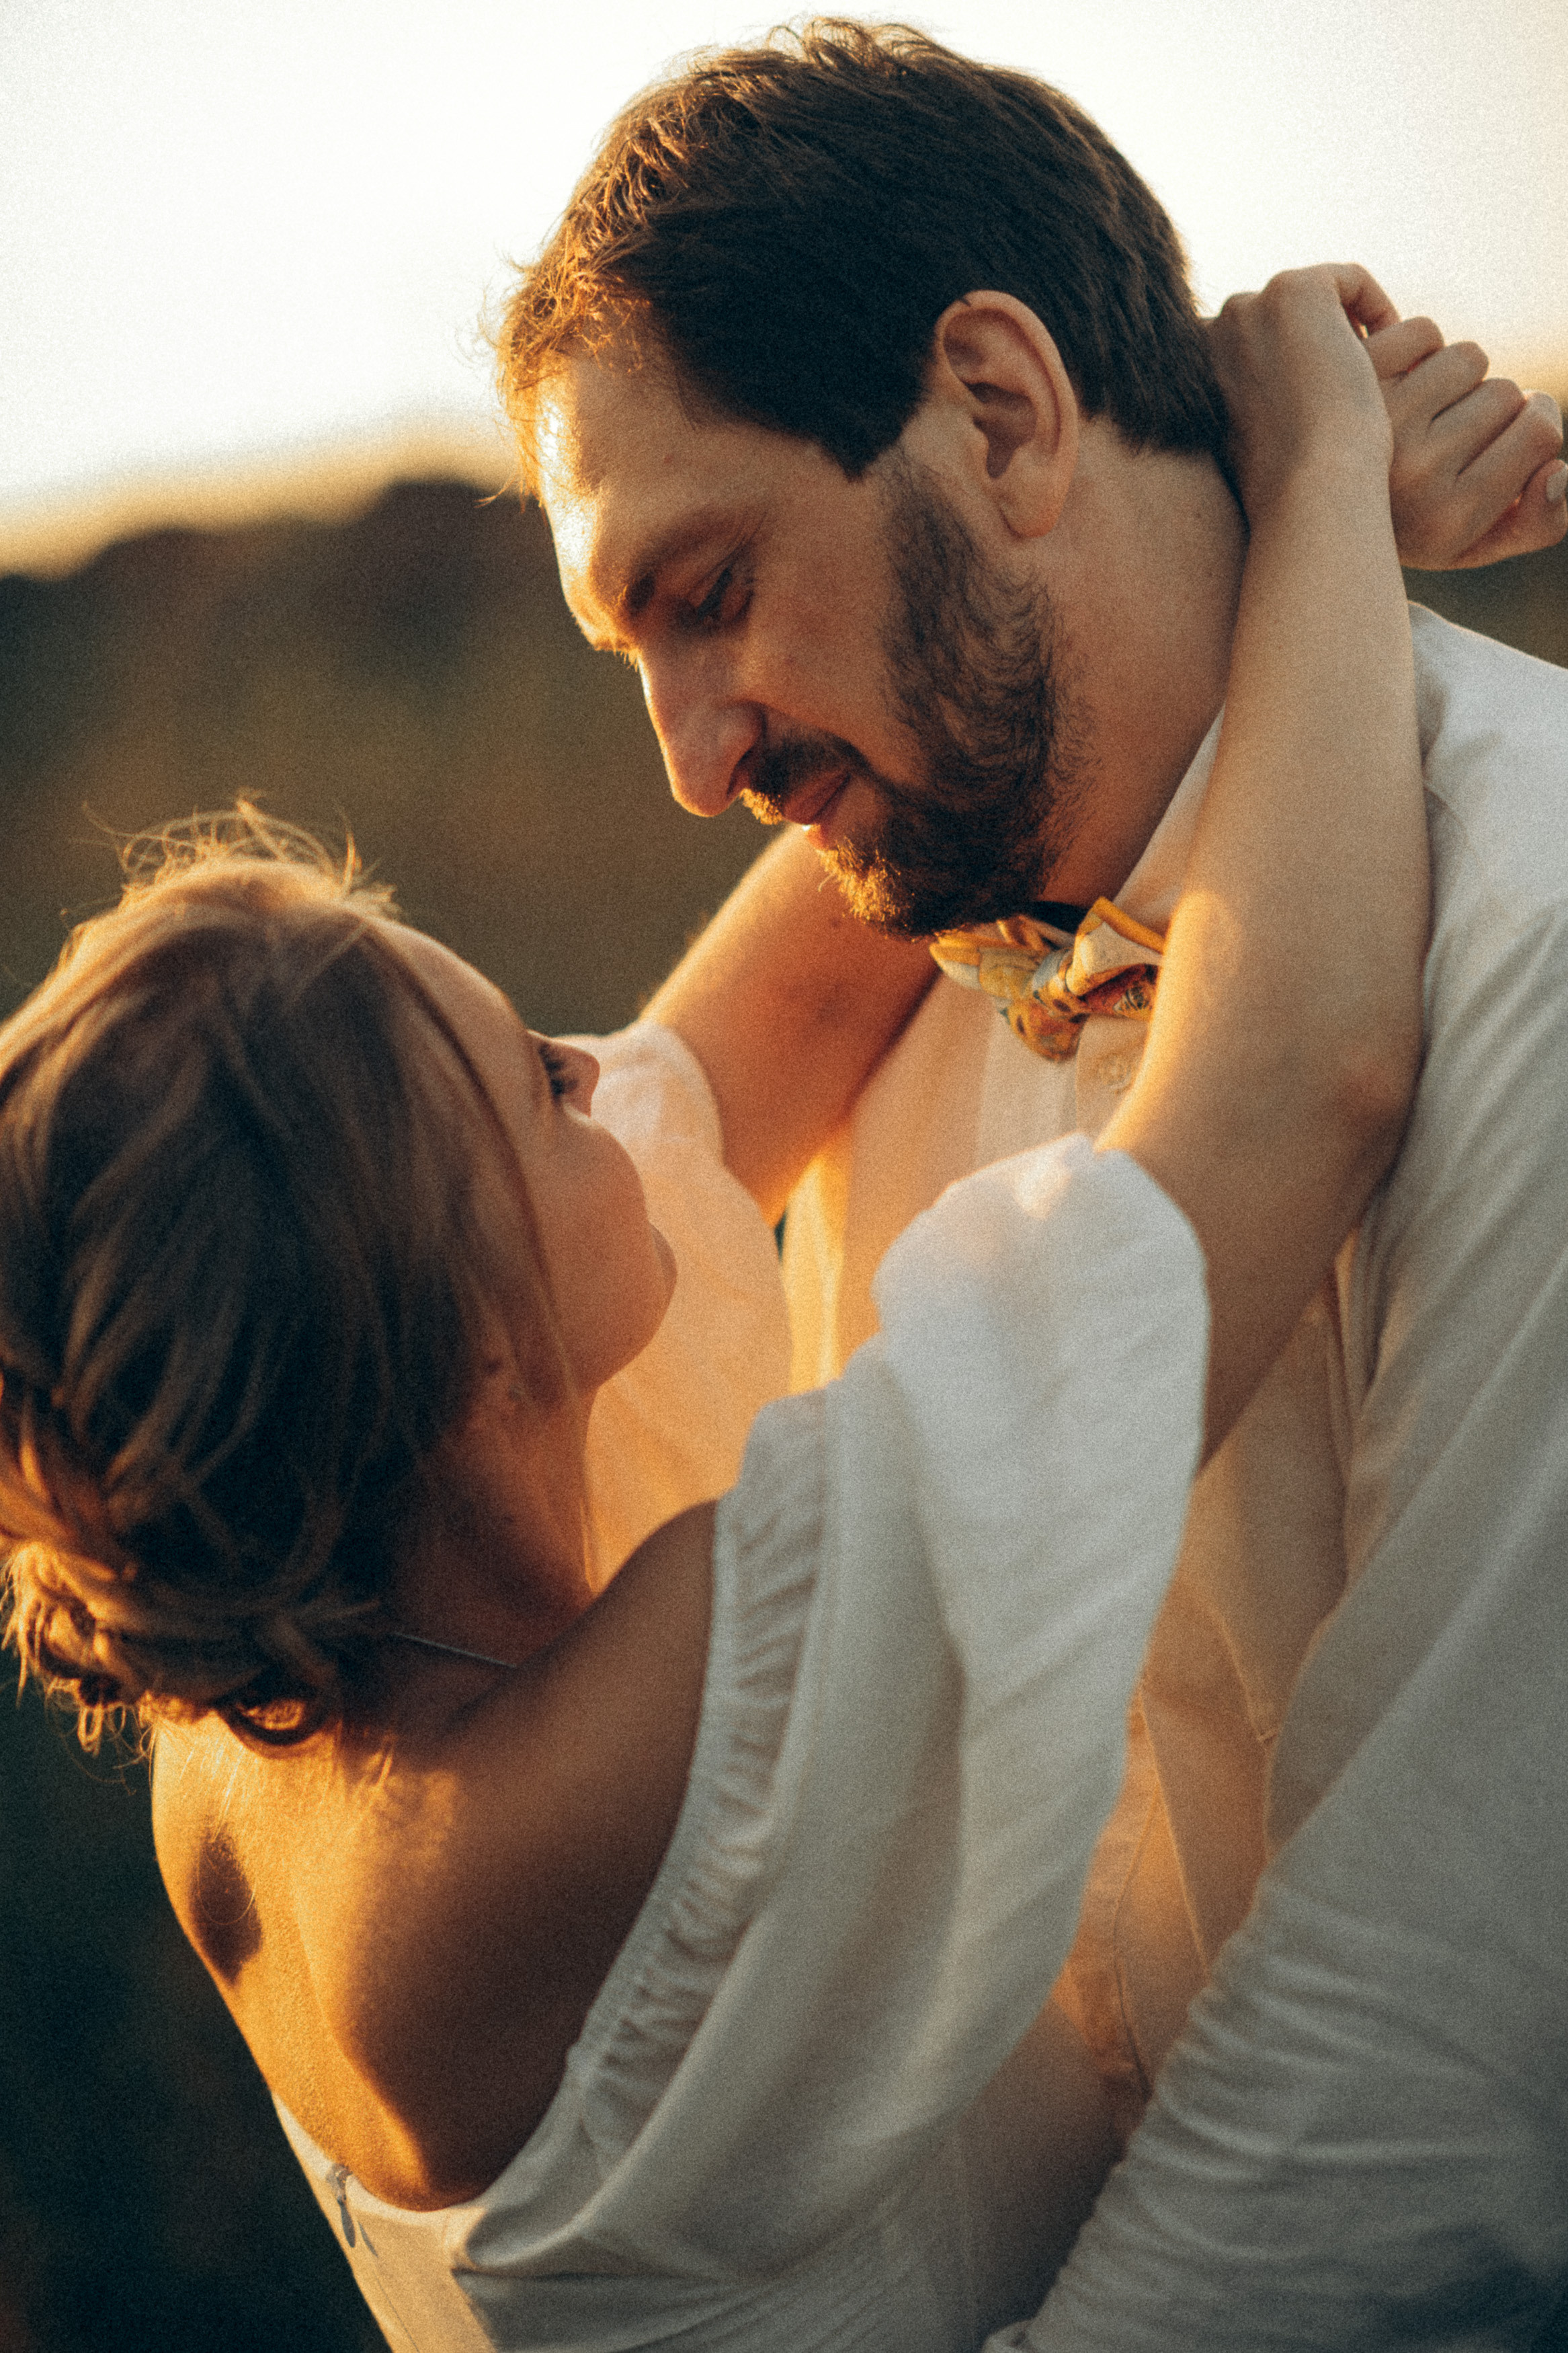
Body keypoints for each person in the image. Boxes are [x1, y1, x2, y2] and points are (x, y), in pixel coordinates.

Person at [1, 280, 1426, 2350]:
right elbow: (1301, 1071)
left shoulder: (252, 1704)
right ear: (468, 1338)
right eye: (544, 1077)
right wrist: (1319, 470)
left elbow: (834, 948)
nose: (622, 1061)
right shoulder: (612, 1756)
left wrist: (1131, 534)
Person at [498, 22, 1568, 2345]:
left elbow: (1430, 2052)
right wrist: (1303, 460)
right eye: (631, 650)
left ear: (1000, 410)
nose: (687, 767)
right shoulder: (911, 957)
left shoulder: (1544, 944)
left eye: (705, 590)